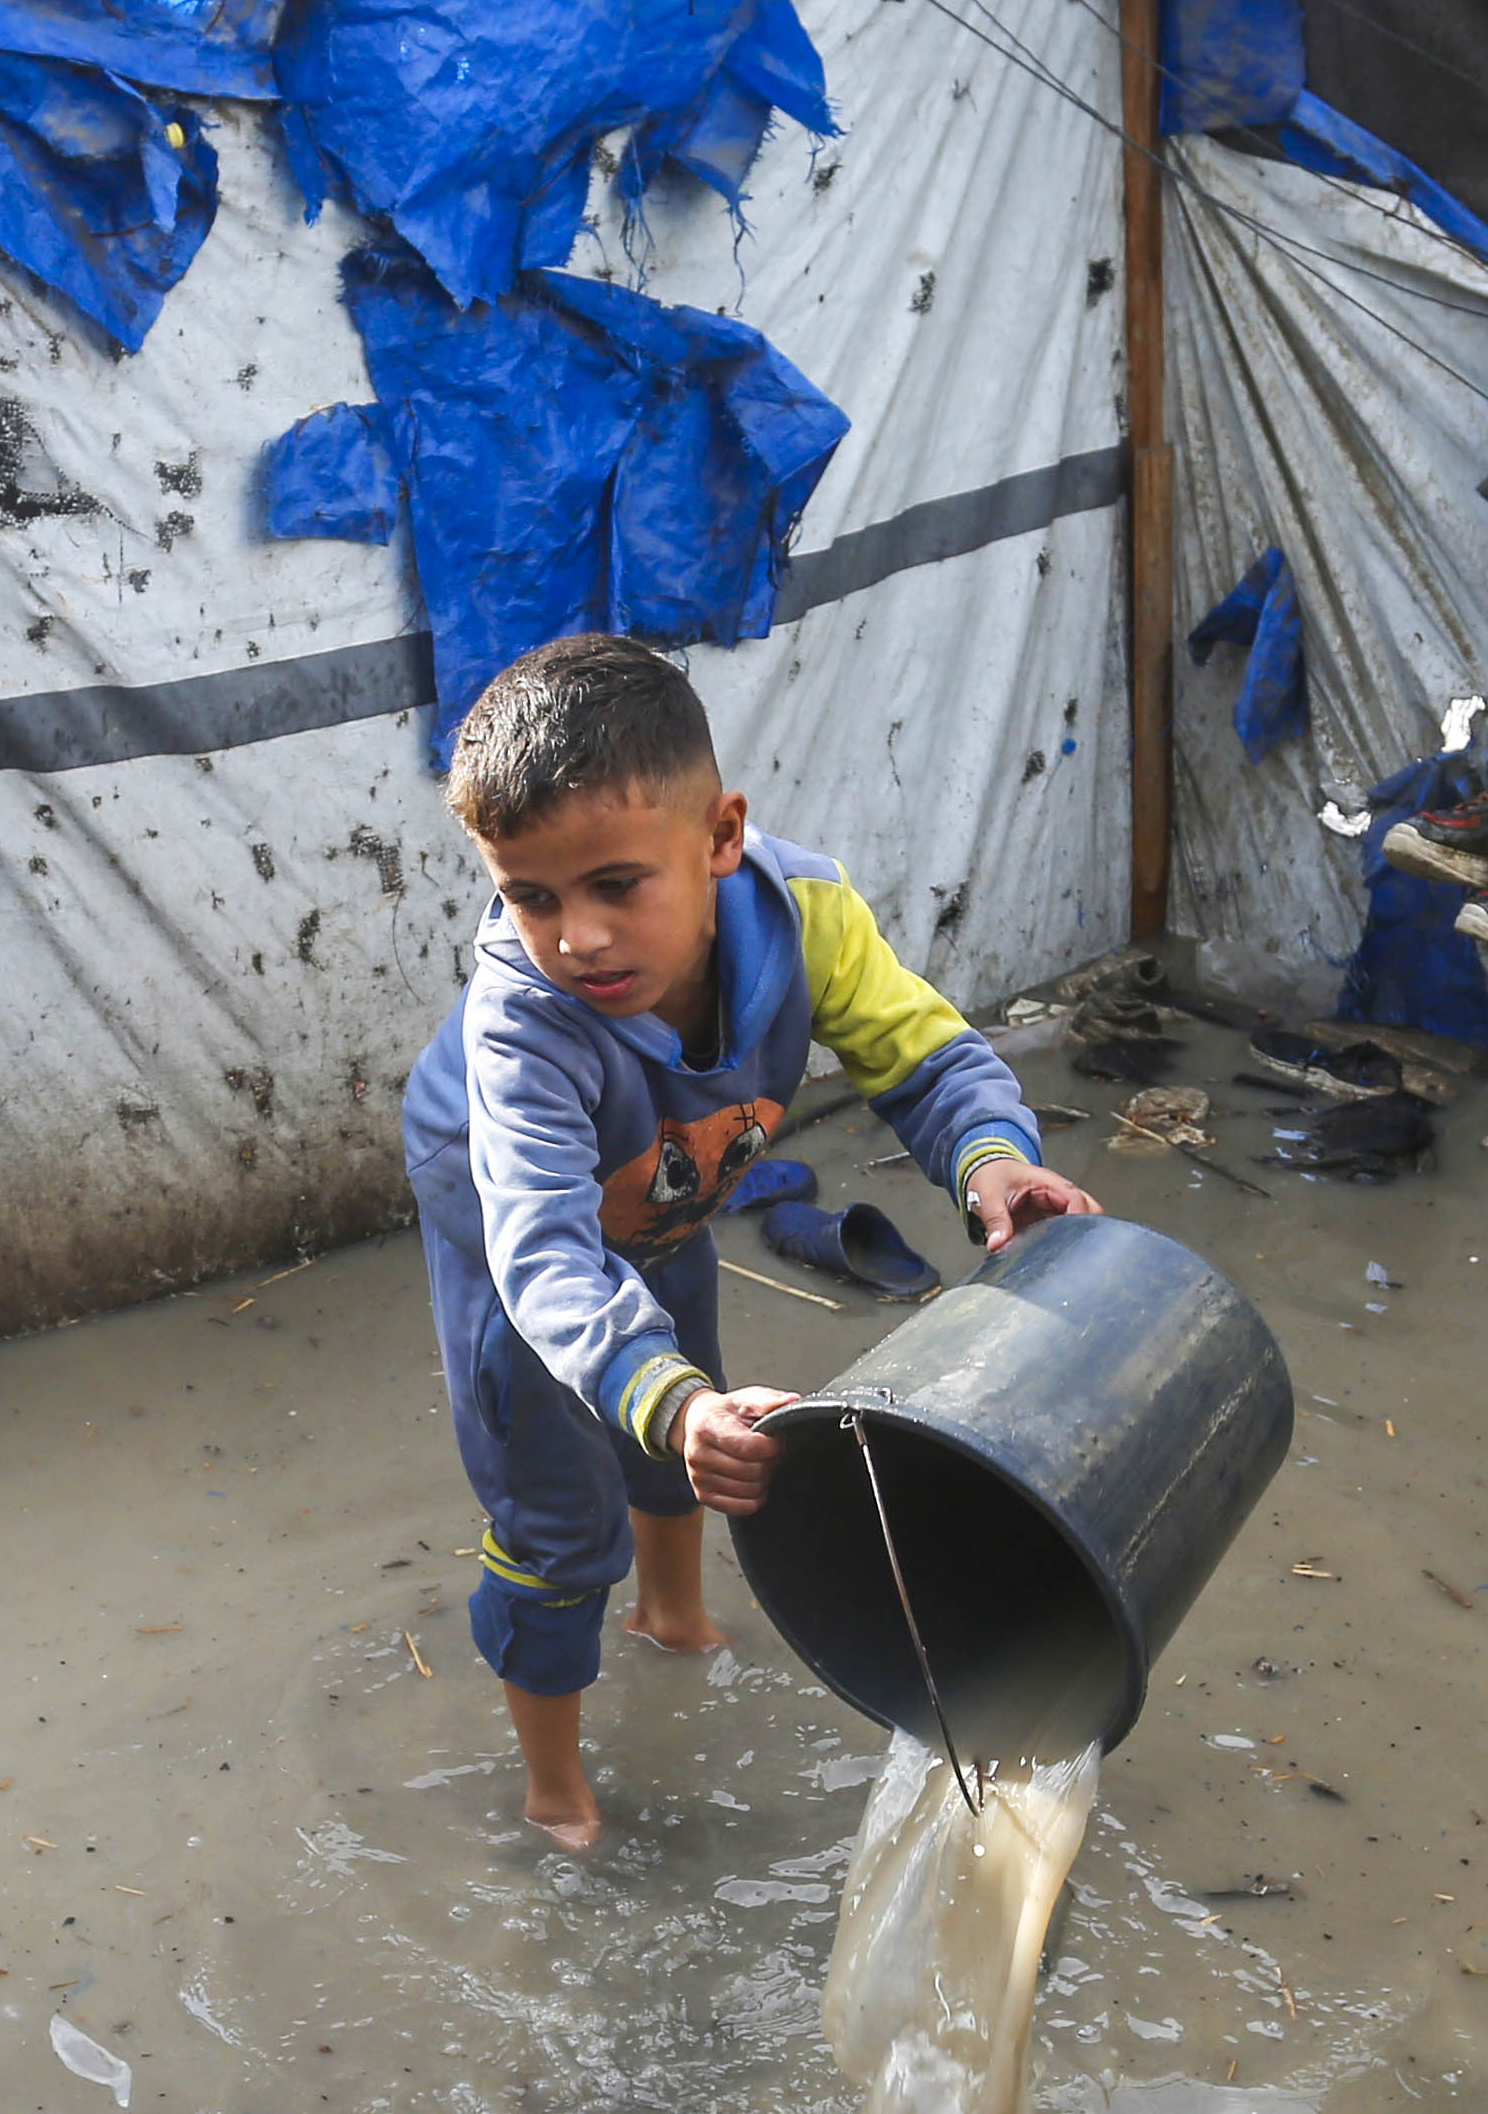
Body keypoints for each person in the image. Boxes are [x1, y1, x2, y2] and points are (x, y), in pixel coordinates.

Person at [402, 636, 1099, 1847]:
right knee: (559, 1511)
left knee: (698, 1398)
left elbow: (921, 1054)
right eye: (530, 894)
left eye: (617, 884)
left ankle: (674, 1616)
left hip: (672, 1192)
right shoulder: (521, 1025)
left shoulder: (804, 912)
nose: (575, 938)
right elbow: (550, 1264)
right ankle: (554, 1788)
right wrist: (663, 1399)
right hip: (518, 1228)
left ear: (721, 836)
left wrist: (992, 1158)